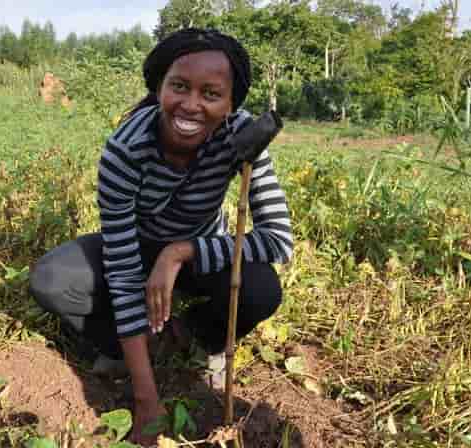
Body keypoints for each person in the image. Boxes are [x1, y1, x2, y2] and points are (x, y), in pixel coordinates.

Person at [29, 28, 293, 446]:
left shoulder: (243, 140)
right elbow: (121, 265)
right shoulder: (126, 150)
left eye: (211, 94)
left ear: (229, 104)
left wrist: (181, 252)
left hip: (201, 251)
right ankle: (125, 348)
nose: (191, 105)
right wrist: (146, 401)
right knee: (52, 278)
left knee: (260, 289)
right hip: (137, 244)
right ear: (159, 88)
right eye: (179, 86)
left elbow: (278, 240)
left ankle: (195, 337)